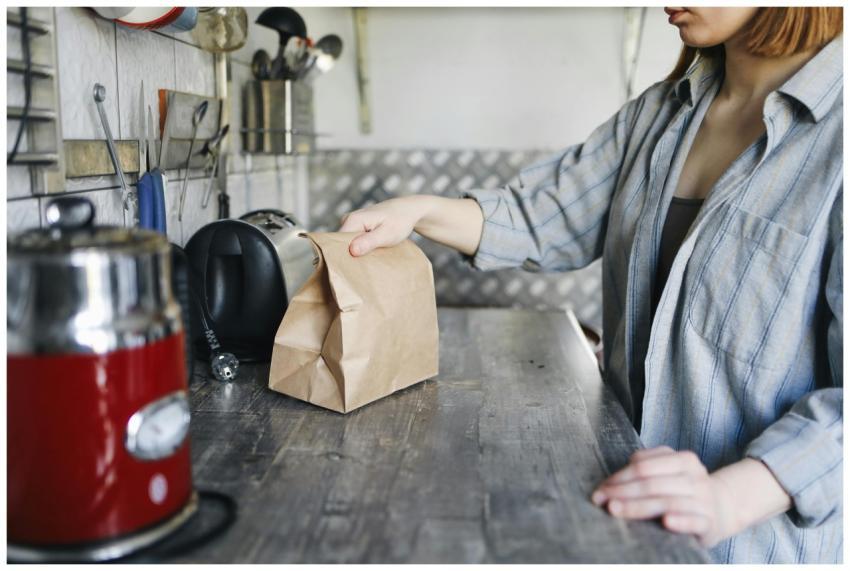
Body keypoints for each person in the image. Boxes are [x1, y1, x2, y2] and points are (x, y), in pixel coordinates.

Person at [338, 7, 843, 564]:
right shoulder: (663, 110)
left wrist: (726, 497)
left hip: (747, 546)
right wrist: (419, 211)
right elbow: (545, 214)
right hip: (622, 517)